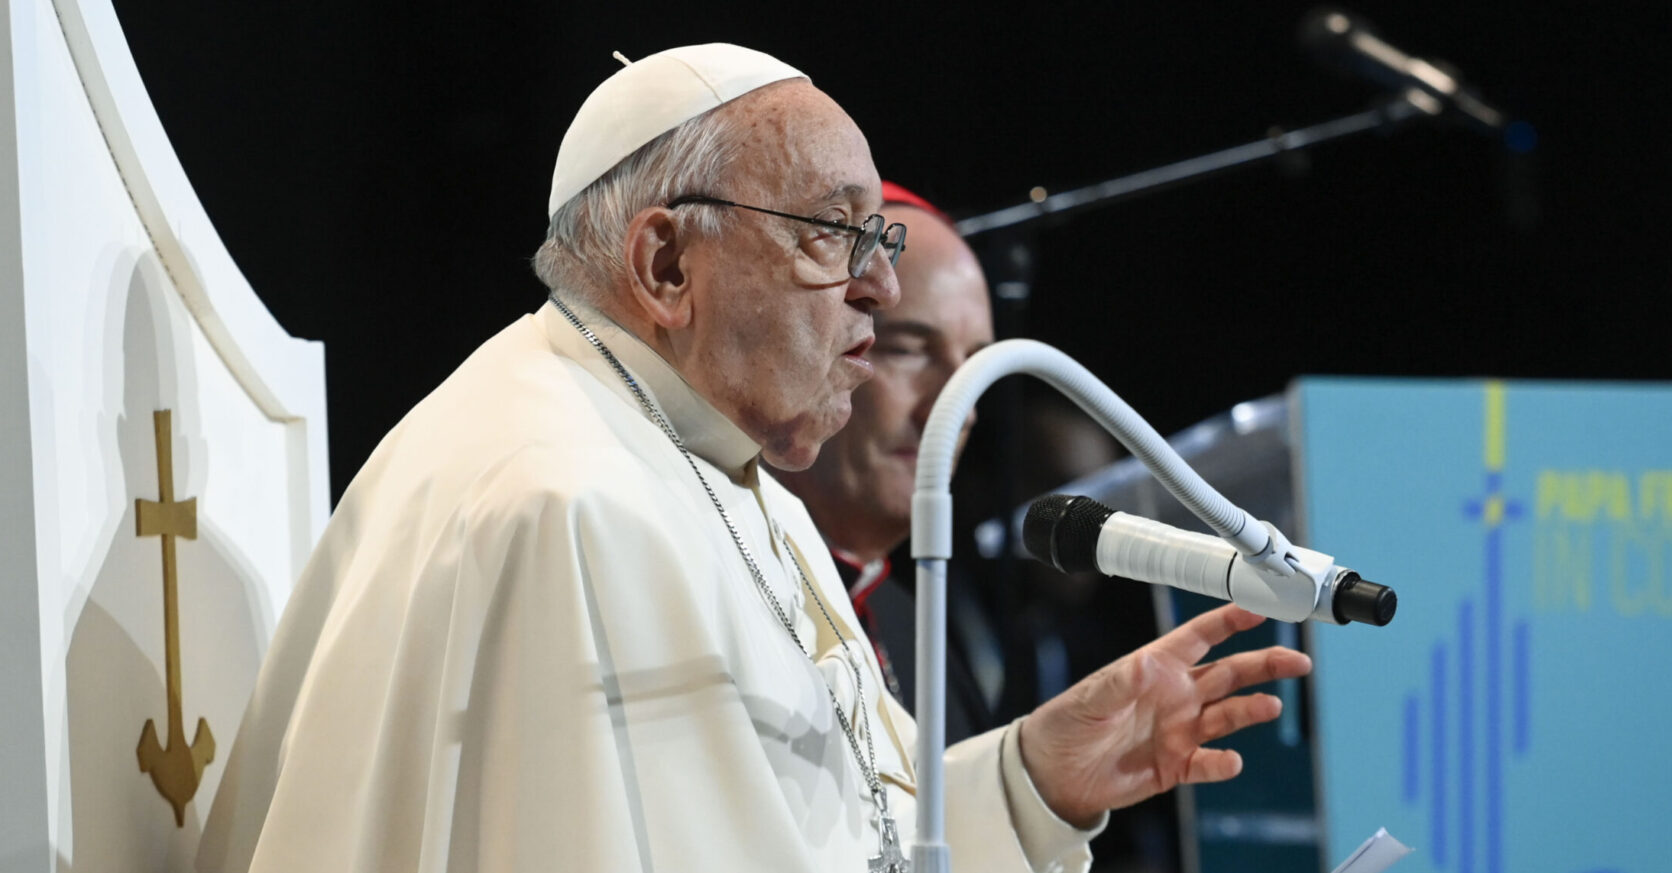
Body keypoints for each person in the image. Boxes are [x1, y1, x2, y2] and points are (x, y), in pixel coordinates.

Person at [198, 44, 1310, 873]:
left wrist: (1026, 781)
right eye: (834, 234)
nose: (878, 286)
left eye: (878, 241)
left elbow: (823, 836)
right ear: (666, 262)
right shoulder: (559, 499)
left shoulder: (727, 477)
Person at [769, 184, 1007, 741]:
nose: (956, 408)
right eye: (907, 348)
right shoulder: (715, 579)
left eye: (976, 364)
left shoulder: (919, 632)